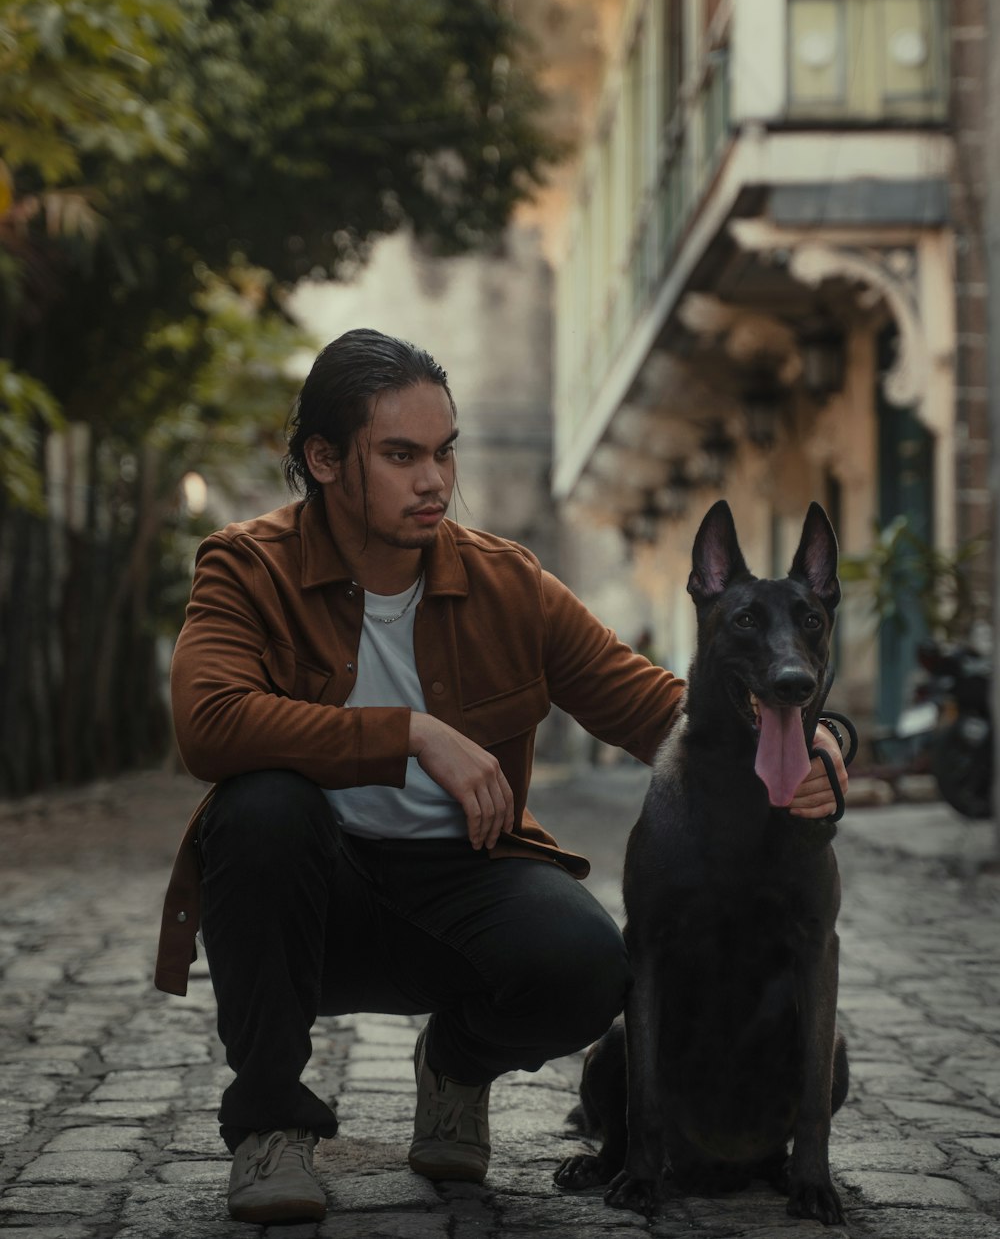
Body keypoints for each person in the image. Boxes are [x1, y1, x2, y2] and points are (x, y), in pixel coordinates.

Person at [154, 328, 847, 1225]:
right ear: (324, 460)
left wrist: (822, 729)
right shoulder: (247, 567)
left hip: (461, 888)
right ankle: (271, 1128)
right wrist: (409, 733)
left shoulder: (507, 583)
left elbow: (666, 709)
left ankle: (457, 1065)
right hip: (307, 905)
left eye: (444, 452)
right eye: (400, 455)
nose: (434, 480)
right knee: (259, 808)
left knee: (592, 965)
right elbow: (206, 725)